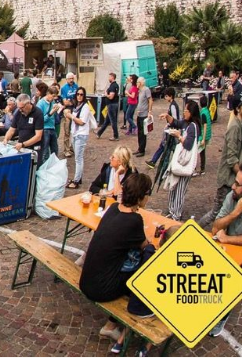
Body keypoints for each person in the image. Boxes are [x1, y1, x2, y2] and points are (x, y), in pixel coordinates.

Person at [79, 172, 155, 353]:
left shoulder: (113, 208)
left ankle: (112, 326)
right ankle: (129, 317)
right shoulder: (134, 220)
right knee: (144, 267)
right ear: (141, 196)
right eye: (148, 193)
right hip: (101, 289)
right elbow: (146, 245)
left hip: (87, 280)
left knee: (129, 261)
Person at [207, 163, 242, 336]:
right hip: (227, 249)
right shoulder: (231, 196)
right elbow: (215, 228)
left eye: (237, 184)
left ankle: (221, 318)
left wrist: (226, 238)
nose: (233, 186)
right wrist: (235, 212)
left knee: (230, 289)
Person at [164, 99, 201, 221]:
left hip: (185, 162)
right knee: (174, 186)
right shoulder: (185, 123)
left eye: (186, 110)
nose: (184, 112)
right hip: (180, 160)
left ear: (191, 112)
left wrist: (178, 136)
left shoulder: (193, 127)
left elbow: (189, 145)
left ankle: (177, 214)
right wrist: (167, 116)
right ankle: (172, 211)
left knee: (180, 189)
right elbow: (176, 122)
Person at [2, 94, 45, 165]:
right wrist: (6, 139)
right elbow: (11, 130)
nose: (20, 110)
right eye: (18, 107)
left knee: (35, 167)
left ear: (28, 103)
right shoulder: (18, 113)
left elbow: (38, 136)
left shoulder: (38, 113)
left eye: (22, 107)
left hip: (35, 147)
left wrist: (23, 144)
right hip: (21, 146)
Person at [64, 88, 92, 189]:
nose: (79, 96)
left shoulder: (85, 107)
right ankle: (78, 177)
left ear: (84, 96)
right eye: (78, 94)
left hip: (81, 134)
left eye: (81, 94)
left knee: (78, 158)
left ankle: (76, 181)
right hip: (75, 134)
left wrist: (71, 116)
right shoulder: (76, 106)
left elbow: (81, 122)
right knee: (78, 157)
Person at [96, 72, 121, 140]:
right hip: (114, 104)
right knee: (107, 121)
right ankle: (99, 133)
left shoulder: (113, 86)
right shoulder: (115, 85)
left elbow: (111, 97)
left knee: (113, 121)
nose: (108, 78)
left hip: (111, 105)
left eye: (109, 77)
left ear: (112, 77)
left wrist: (106, 94)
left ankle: (116, 136)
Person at [132, 77, 153, 157]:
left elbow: (150, 100)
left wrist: (149, 111)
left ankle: (142, 150)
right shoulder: (139, 91)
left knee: (143, 133)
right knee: (139, 132)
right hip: (139, 114)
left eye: (137, 82)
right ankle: (139, 148)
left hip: (144, 114)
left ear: (141, 83)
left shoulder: (146, 90)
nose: (136, 83)